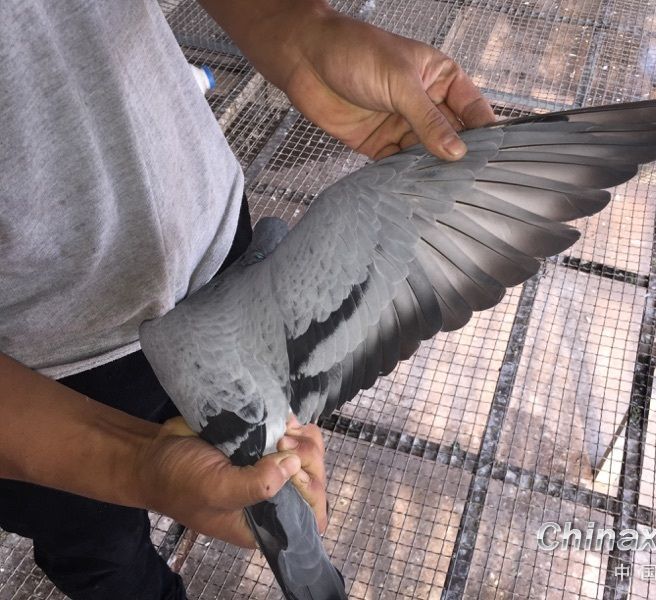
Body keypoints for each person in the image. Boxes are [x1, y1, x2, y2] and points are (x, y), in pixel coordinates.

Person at [0, 0, 495, 598]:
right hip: (46, 377)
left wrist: (294, 28)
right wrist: (132, 466)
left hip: (218, 250)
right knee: (102, 550)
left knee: (266, 474)